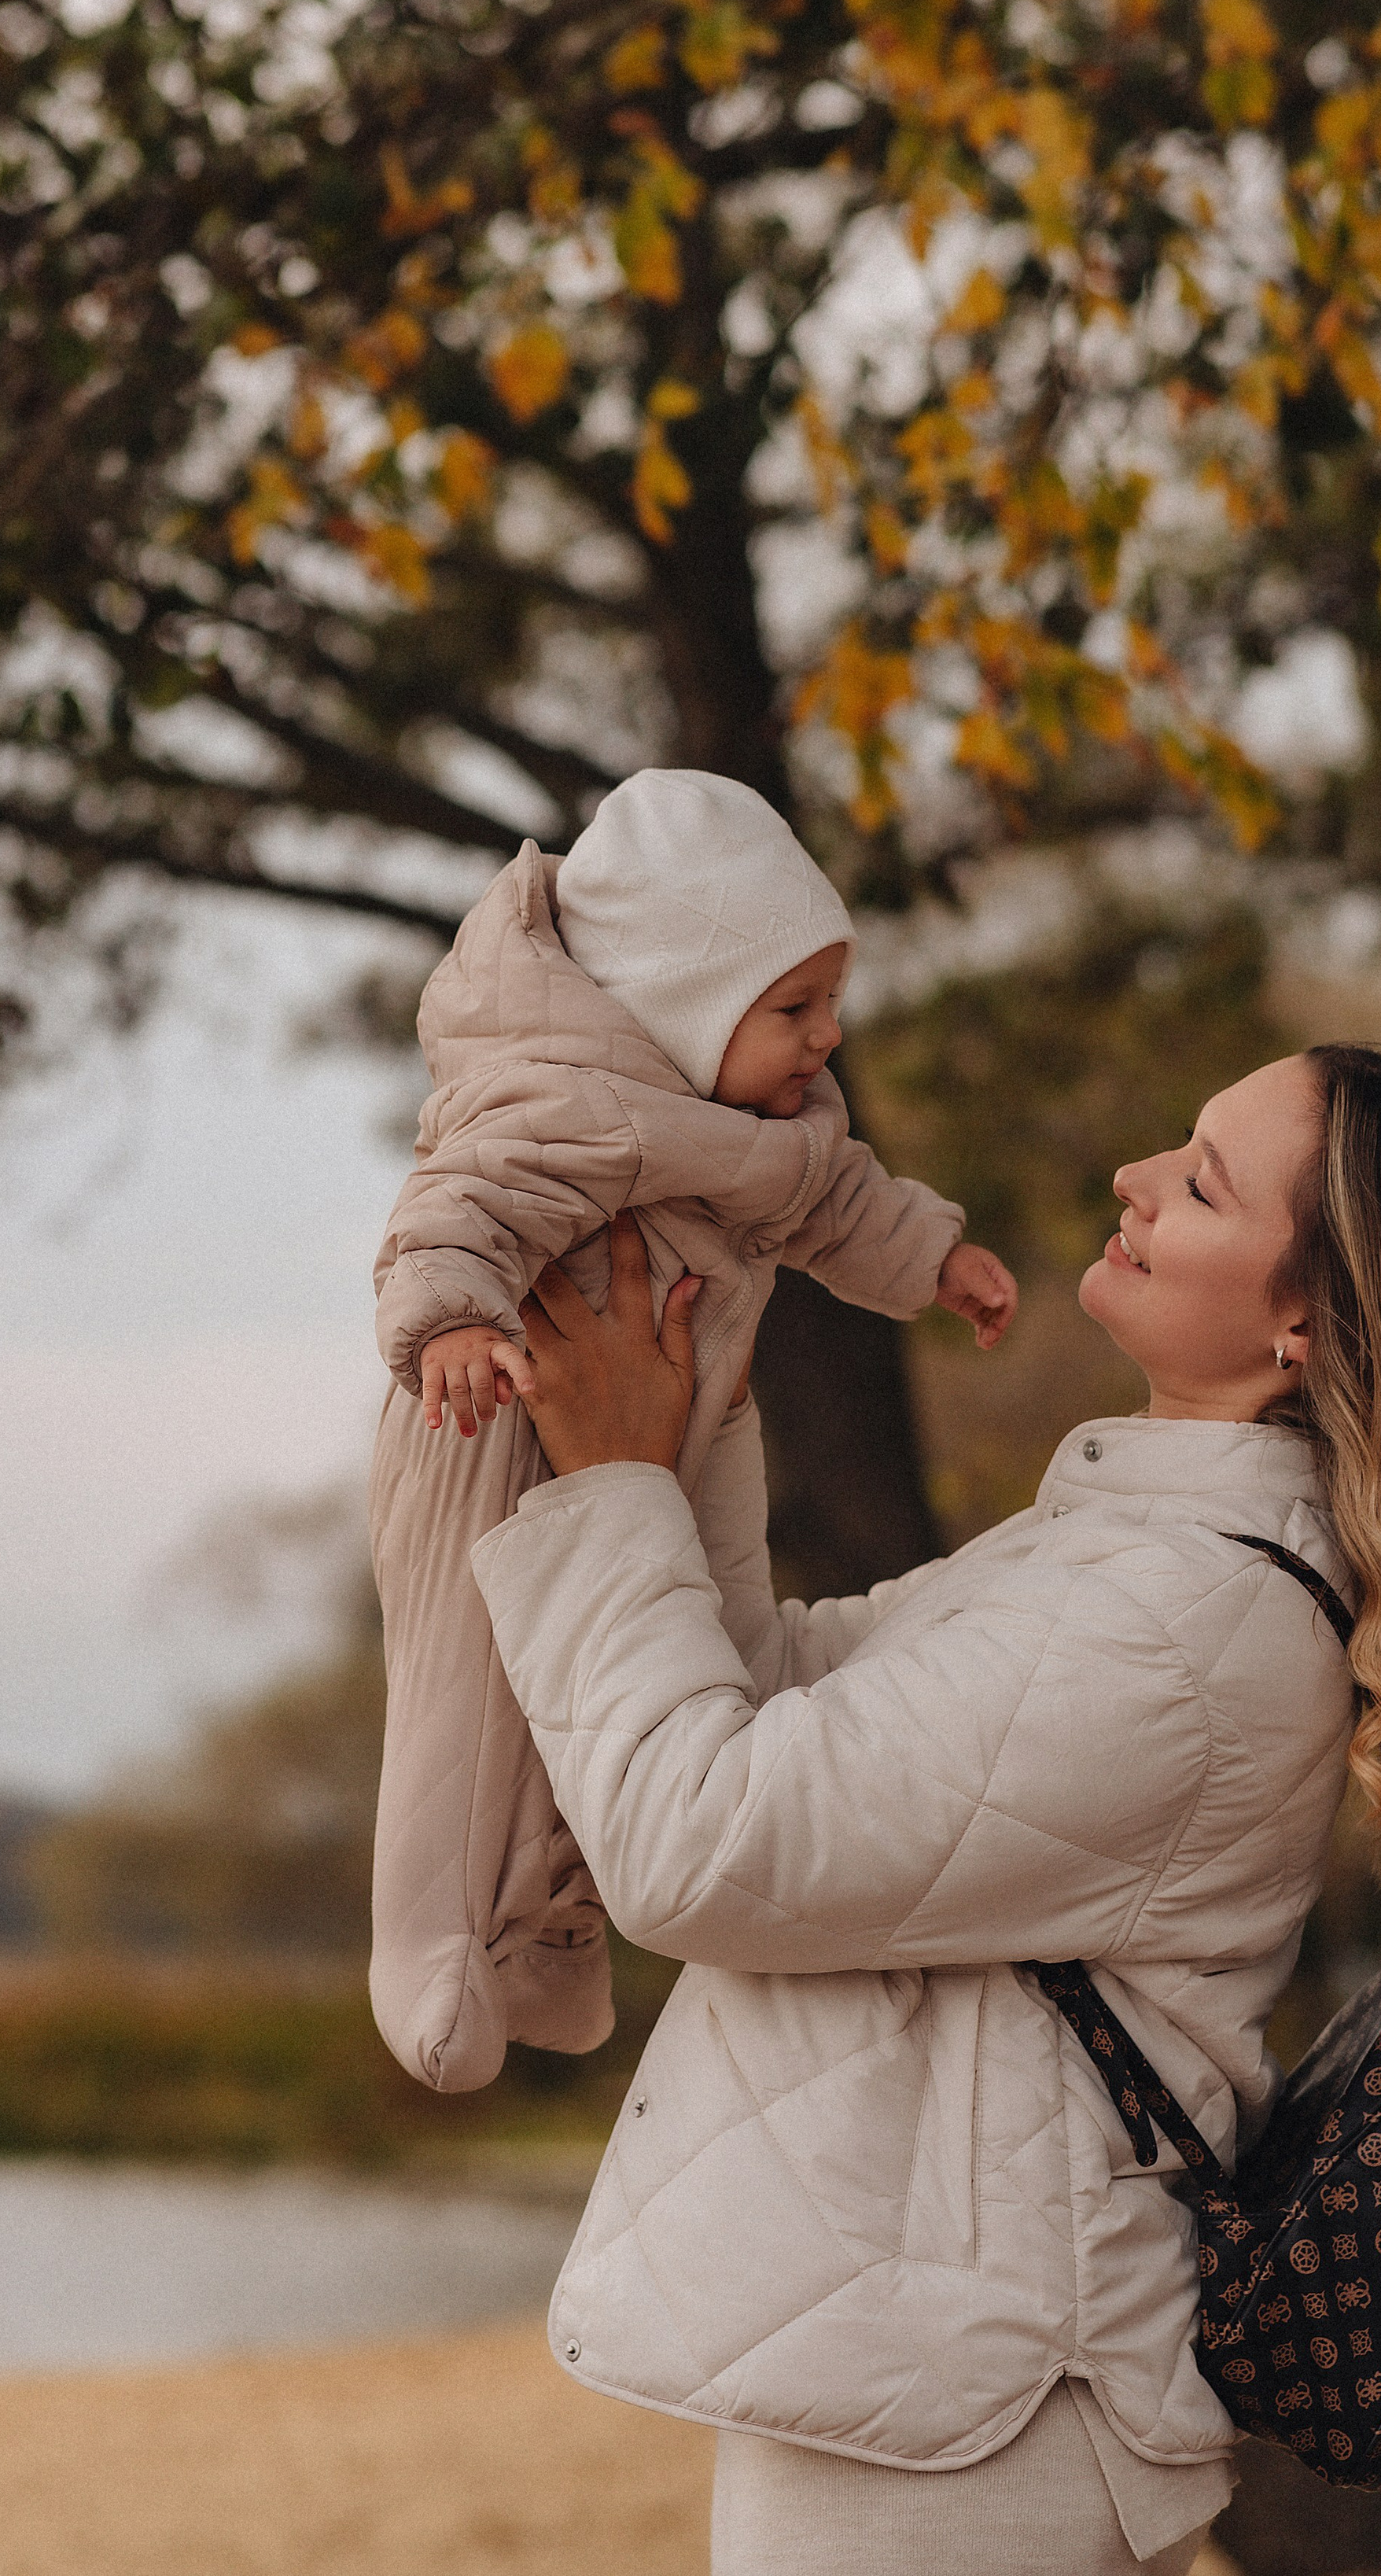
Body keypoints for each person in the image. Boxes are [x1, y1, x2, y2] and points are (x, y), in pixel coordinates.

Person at [472, 1045, 1381, 2575]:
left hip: (972, 2412)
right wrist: (679, 1421)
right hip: (942, 2373)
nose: (1133, 1179)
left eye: (1200, 1182)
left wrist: (614, 1481)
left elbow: (703, 1840)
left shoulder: (1178, 1622)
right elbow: (775, 1691)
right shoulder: (1130, 1553)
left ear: (1307, 1323)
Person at [366, 770, 1019, 2092]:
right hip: (495, 1414)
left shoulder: (764, 1128)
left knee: (676, 1672)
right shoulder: (564, 1100)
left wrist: (931, 1260)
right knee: (476, 1695)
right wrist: (451, 1327)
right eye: (793, 1007)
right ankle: (429, 1944)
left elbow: (838, 1199)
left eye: (831, 999)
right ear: (680, 1006)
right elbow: (450, 1209)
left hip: (687, 1421)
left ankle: (556, 1944)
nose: (828, 1034)